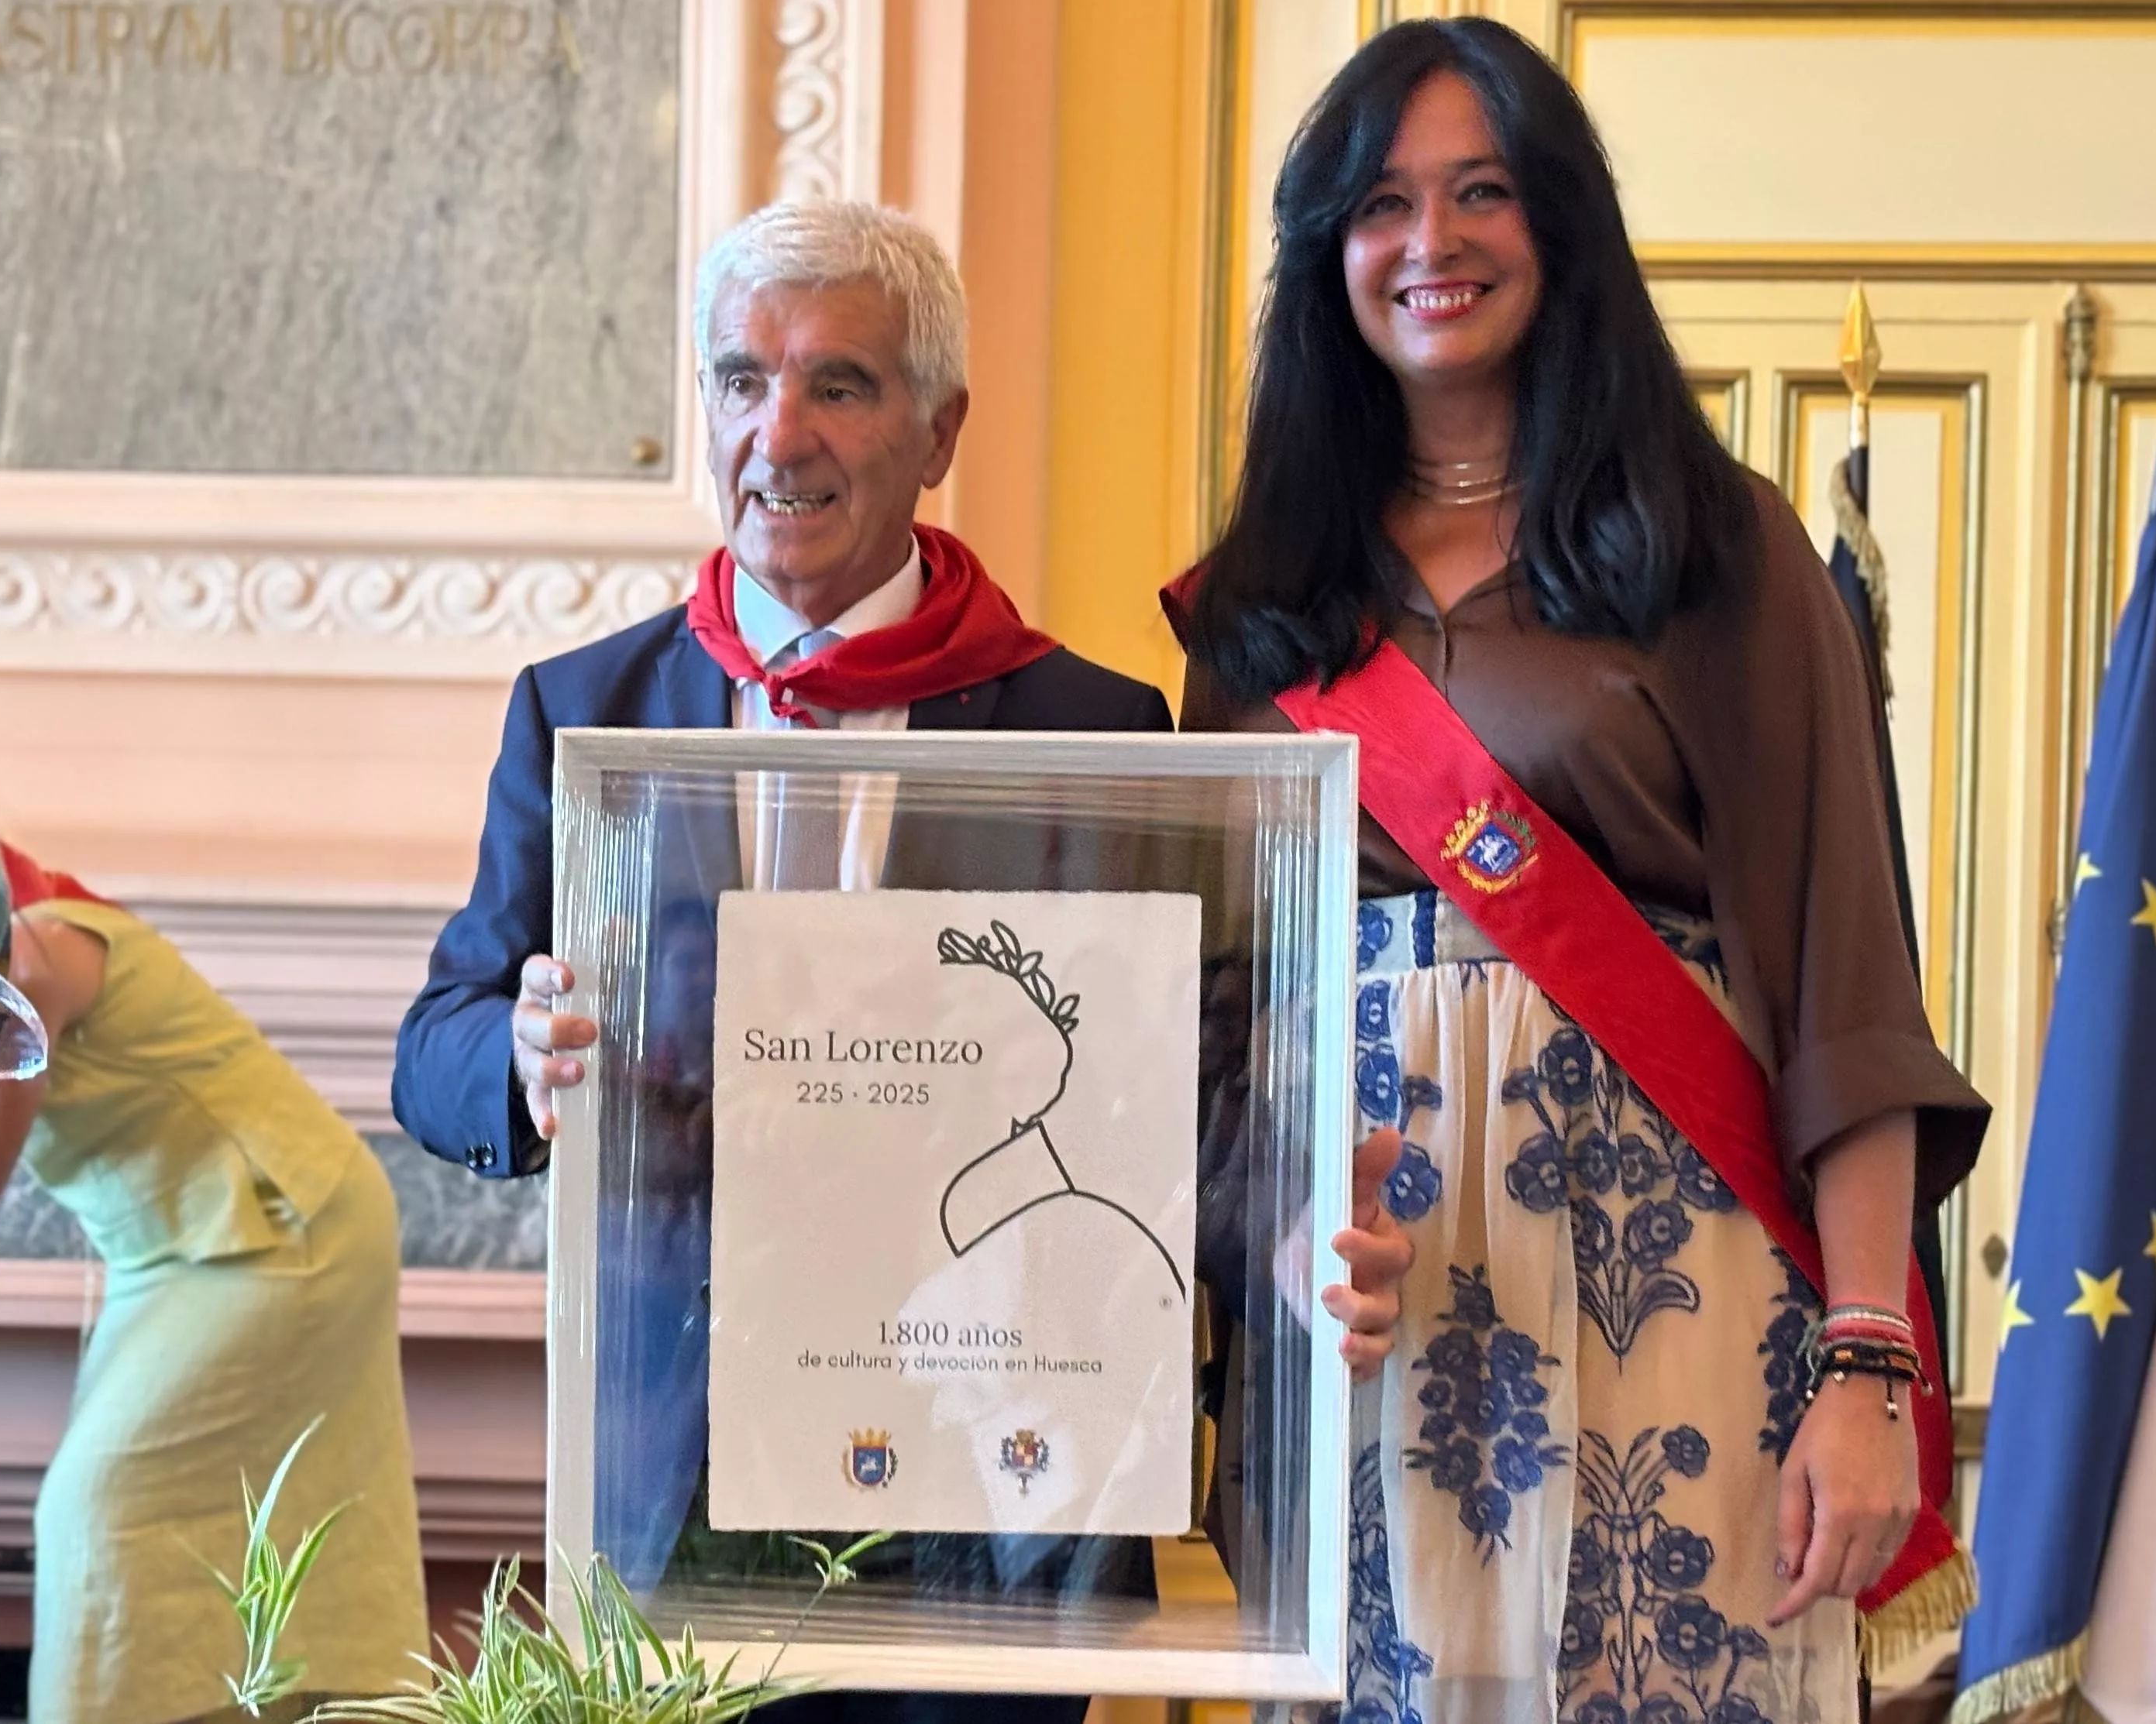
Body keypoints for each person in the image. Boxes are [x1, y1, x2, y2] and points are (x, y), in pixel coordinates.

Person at [398, 198, 1410, 1724]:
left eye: (838, 385)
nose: (777, 429)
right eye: (741, 381)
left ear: (940, 431)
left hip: (991, 1478)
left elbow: (1185, 1094)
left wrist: (1295, 1224)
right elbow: (437, 1043)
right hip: (679, 1480)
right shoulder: (588, 712)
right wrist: (523, 1062)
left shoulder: (1096, 732)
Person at [1166, 20, 1991, 1724]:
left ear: (1562, 225)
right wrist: (1286, 1225)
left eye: (1483, 192)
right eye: (1382, 202)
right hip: (1379, 1326)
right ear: (1330, 251)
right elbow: (1219, 1034)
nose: (1432, 242)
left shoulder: (1719, 547)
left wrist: (1869, 1361)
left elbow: (1845, 984)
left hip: (1684, 1296)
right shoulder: (1258, 606)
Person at [0, 843, 425, 1724]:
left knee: (99, 1511)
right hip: (184, 1254)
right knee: (187, 1535)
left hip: (285, 1230)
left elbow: (15, 1000)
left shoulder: (42, 941)